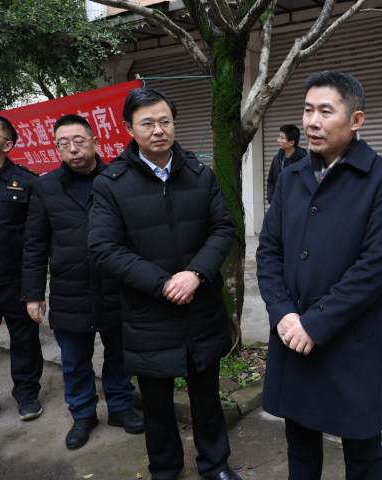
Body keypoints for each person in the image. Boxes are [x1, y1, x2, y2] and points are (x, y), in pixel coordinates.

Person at [257, 71, 382, 480]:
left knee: (363, 450)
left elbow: (374, 268)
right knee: (300, 447)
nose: (312, 122)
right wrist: (283, 313)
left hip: (348, 341)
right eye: (308, 110)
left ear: (356, 120)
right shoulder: (291, 176)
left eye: (325, 111)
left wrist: (316, 323)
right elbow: (268, 251)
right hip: (293, 335)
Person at [88, 88, 240, 480]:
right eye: (147, 123)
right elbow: (104, 248)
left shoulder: (199, 174)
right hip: (148, 313)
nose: (158, 130)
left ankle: (215, 465)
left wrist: (196, 274)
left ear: (174, 123)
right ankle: (166, 469)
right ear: (129, 128)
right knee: (156, 404)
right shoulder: (111, 183)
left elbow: (223, 228)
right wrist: (163, 284)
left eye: (165, 121)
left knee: (206, 396)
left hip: (200, 306)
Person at [21, 114, 143, 449]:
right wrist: (33, 293)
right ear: (57, 149)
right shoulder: (45, 186)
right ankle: (83, 414)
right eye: (63, 143)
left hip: (117, 284)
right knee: (74, 361)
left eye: (79, 141)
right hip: (69, 289)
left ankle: (120, 408)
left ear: (95, 142)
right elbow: (35, 244)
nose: (72, 149)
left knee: (120, 355)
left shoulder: (119, 176)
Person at [0, 113, 44, 433]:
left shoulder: (28, 182)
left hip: (17, 281)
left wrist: (34, 288)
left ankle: (27, 395)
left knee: (25, 342)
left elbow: (38, 239)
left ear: (7, 145)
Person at [266, 124, 306, 204]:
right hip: (278, 205)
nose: (278, 140)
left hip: (295, 206)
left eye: (282, 138)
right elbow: (270, 180)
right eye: (279, 137)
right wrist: (271, 199)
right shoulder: (277, 159)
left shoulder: (304, 161)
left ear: (291, 142)